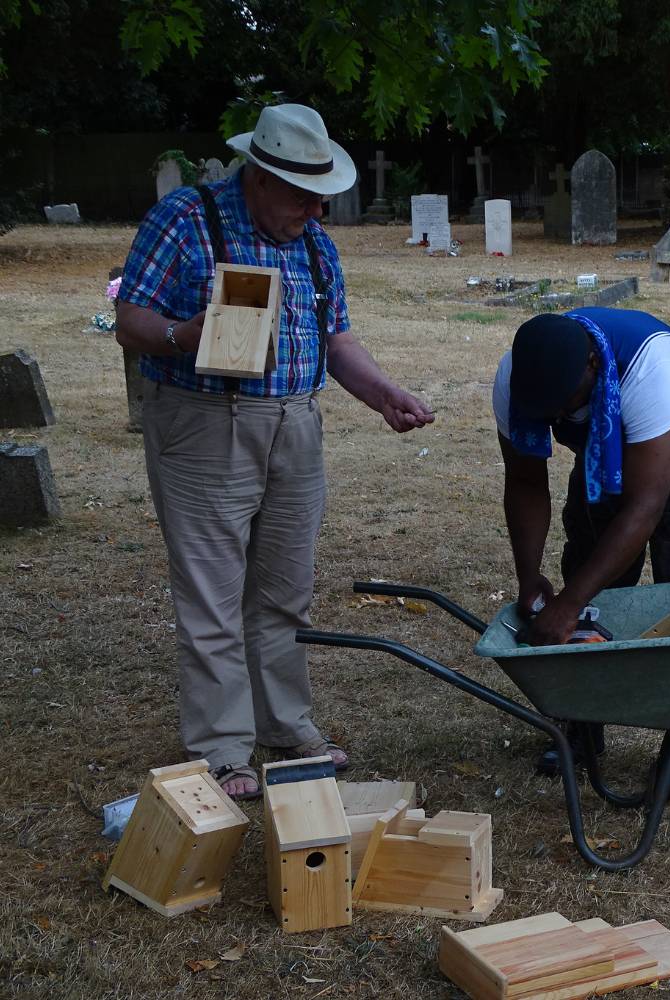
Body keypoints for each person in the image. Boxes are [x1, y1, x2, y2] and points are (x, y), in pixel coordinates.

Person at [116, 104, 434, 800]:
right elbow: (130, 321)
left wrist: (384, 394)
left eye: (321, 194)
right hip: (202, 422)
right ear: (257, 177)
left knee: (284, 589)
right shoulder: (185, 218)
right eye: (300, 194)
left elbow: (338, 340)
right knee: (212, 595)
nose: (315, 209)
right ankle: (224, 749)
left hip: (295, 424)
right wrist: (183, 334)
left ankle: (286, 726)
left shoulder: (315, 243)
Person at [492, 307, 670, 798]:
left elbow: (644, 510)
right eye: (547, 414)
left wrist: (568, 604)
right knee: (587, 554)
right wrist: (529, 574)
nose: (556, 419)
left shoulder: (650, 367)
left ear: (591, 370)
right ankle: (581, 725)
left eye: (565, 406)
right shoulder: (515, 380)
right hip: (603, 443)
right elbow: (524, 481)